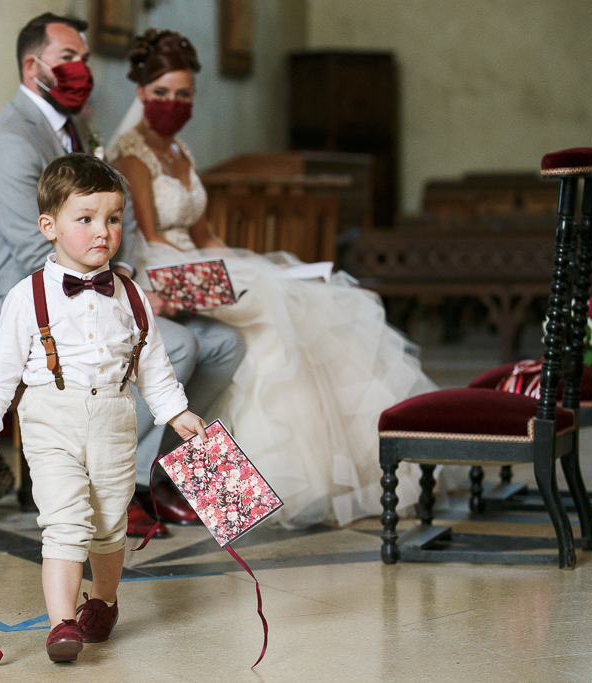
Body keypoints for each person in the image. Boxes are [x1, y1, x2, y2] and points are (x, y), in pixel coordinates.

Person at [108, 30, 437, 527]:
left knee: (292, 304)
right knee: (267, 330)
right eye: (162, 95)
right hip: (160, 268)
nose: (173, 105)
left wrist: (260, 265)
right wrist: (222, 271)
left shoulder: (181, 150)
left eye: (183, 95)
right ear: (141, 94)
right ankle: (213, 489)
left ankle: (208, 488)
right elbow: (151, 237)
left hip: (197, 261)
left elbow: (205, 233)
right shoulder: (132, 156)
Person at [0, 12, 244, 535]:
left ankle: (161, 476)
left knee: (225, 343)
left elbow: (121, 219)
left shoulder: (69, 128)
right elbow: (36, 247)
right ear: (33, 67)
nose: (82, 70)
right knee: (178, 346)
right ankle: (122, 490)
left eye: (85, 59)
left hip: (99, 280)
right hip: (36, 300)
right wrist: (127, 293)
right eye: (68, 59)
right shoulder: (10, 141)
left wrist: (134, 286)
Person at [0, 153, 207, 662]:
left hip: (115, 420)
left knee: (108, 521)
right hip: (51, 417)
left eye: (113, 219)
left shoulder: (132, 296)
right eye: (86, 219)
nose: (102, 231)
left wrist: (176, 413)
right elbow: (2, 365)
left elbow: (154, 367)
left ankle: (102, 600)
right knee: (65, 519)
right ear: (49, 226)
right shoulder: (27, 296)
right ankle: (61, 623)